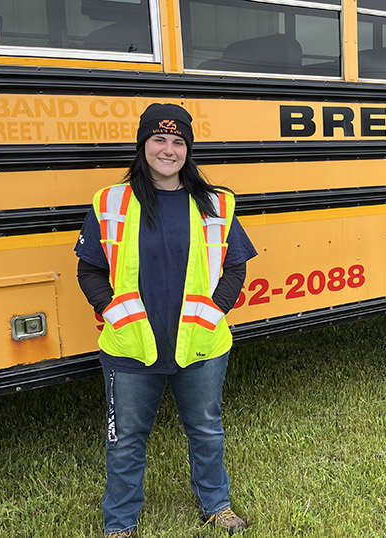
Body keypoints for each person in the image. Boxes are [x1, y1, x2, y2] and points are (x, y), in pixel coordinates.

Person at [75, 103, 257, 537]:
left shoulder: (215, 203)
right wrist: (114, 314)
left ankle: (217, 506)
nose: (168, 149)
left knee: (206, 430)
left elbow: (235, 267)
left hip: (201, 344)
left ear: (188, 150)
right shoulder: (112, 202)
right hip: (131, 348)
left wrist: (214, 312)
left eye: (178, 142)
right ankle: (119, 524)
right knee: (126, 442)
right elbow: (89, 270)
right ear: (142, 146)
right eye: (158, 139)